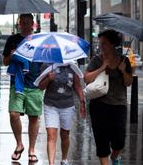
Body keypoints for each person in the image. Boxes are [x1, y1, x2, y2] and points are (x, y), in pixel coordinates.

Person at [84, 29, 133, 165]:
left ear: (112, 44)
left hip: (118, 105)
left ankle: (114, 156)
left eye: (104, 43)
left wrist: (123, 71)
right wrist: (101, 68)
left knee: (119, 141)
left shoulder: (124, 60)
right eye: (100, 43)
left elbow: (128, 83)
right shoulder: (97, 59)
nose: (101, 46)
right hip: (99, 105)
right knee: (102, 141)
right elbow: (86, 78)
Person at [3, 14, 43, 162]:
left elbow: (46, 61)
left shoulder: (39, 41)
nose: (25, 25)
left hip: (35, 84)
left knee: (34, 117)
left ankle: (32, 149)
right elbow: (5, 62)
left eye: (28, 23)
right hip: (17, 83)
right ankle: (19, 144)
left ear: (33, 24)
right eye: (23, 22)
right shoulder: (12, 40)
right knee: (14, 114)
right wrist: (12, 55)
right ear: (19, 23)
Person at [35, 62, 86, 165]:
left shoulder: (72, 66)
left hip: (67, 105)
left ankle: (64, 159)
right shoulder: (47, 66)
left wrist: (82, 101)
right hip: (51, 105)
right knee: (51, 135)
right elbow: (40, 87)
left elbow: (77, 86)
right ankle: (51, 163)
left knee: (65, 135)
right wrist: (48, 78)